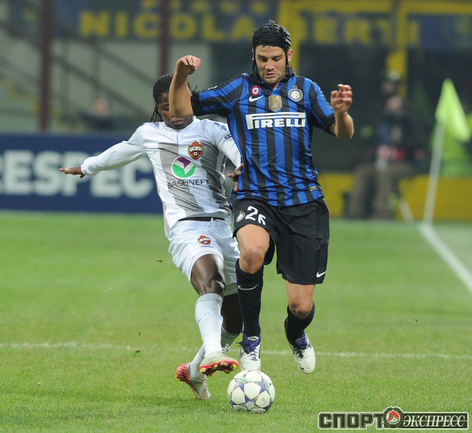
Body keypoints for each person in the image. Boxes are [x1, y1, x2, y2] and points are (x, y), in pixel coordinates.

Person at [169, 21, 354, 374]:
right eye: (262, 58)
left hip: (303, 203)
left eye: (275, 58)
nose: (269, 65)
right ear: (253, 57)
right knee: (251, 253)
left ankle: (295, 332)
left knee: (301, 306)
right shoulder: (238, 89)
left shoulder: (306, 90)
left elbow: (343, 134)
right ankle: (251, 340)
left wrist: (342, 114)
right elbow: (180, 109)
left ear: (289, 56)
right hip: (255, 196)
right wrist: (180, 75)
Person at [60, 74, 242, 400]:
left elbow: (237, 152)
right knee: (211, 281)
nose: (174, 113)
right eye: (165, 107)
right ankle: (214, 351)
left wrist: (242, 167)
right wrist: (87, 167)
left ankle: (194, 371)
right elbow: (121, 151)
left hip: (222, 227)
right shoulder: (149, 134)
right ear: (158, 108)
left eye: (178, 105)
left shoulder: (213, 130)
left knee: (236, 318)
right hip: (185, 227)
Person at [345, 89, 427, 220]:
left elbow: (420, 143)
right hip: (381, 163)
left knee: (385, 174)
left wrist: (402, 140)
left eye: (395, 107)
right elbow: (372, 144)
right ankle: (354, 212)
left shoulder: (410, 125)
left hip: (405, 164)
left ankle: (382, 212)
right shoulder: (382, 125)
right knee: (362, 172)